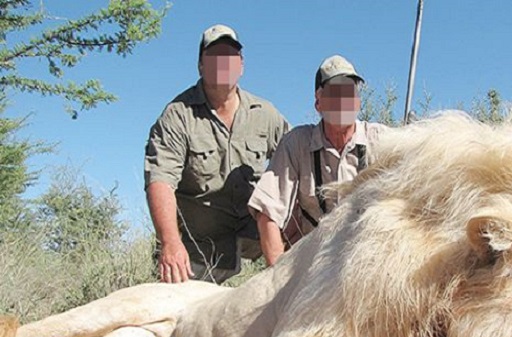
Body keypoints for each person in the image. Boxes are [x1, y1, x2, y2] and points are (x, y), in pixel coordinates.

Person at [144, 25, 288, 284]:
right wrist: (170, 243)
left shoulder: (266, 114)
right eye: (215, 56)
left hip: (253, 234)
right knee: (180, 315)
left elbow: (295, 160)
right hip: (198, 243)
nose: (224, 62)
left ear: (241, 65)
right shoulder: (177, 114)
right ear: (200, 65)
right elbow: (160, 180)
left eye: (230, 56)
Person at [248, 55, 387, 266]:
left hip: (369, 262)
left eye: (349, 92)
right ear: (318, 103)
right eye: (334, 93)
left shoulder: (381, 141)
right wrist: (276, 280)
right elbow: (268, 211)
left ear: (358, 101)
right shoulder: (296, 144)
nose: (343, 101)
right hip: (314, 266)